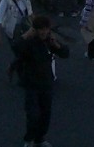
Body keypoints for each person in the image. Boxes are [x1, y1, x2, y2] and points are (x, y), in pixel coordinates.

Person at [13, 14, 68, 147]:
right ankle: (29, 139)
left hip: (46, 83)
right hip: (31, 84)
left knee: (45, 114)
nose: (43, 32)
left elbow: (65, 53)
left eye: (46, 29)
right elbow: (16, 48)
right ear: (35, 30)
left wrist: (56, 45)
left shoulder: (49, 42)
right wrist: (27, 35)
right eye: (40, 29)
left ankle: (39, 138)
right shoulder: (30, 43)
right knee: (33, 115)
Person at [0, 0, 33, 79]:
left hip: (25, 25)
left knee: (28, 50)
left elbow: (29, 10)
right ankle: (21, 76)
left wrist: (34, 23)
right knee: (20, 51)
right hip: (13, 29)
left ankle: (13, 67)